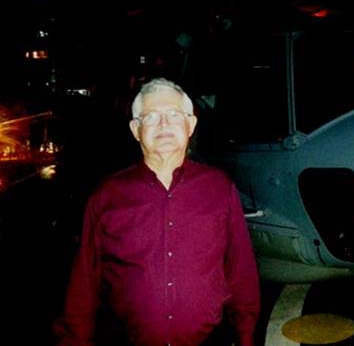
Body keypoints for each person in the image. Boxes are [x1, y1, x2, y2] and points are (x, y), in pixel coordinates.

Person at [54, 78, 260, 346]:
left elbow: (241, 270)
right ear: (136, 129)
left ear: (190, 125)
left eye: (174, 115)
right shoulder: (106, 197)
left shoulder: (219, 188)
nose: (164, 124)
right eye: (151, 117)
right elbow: (84, 284)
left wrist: (245, 338)